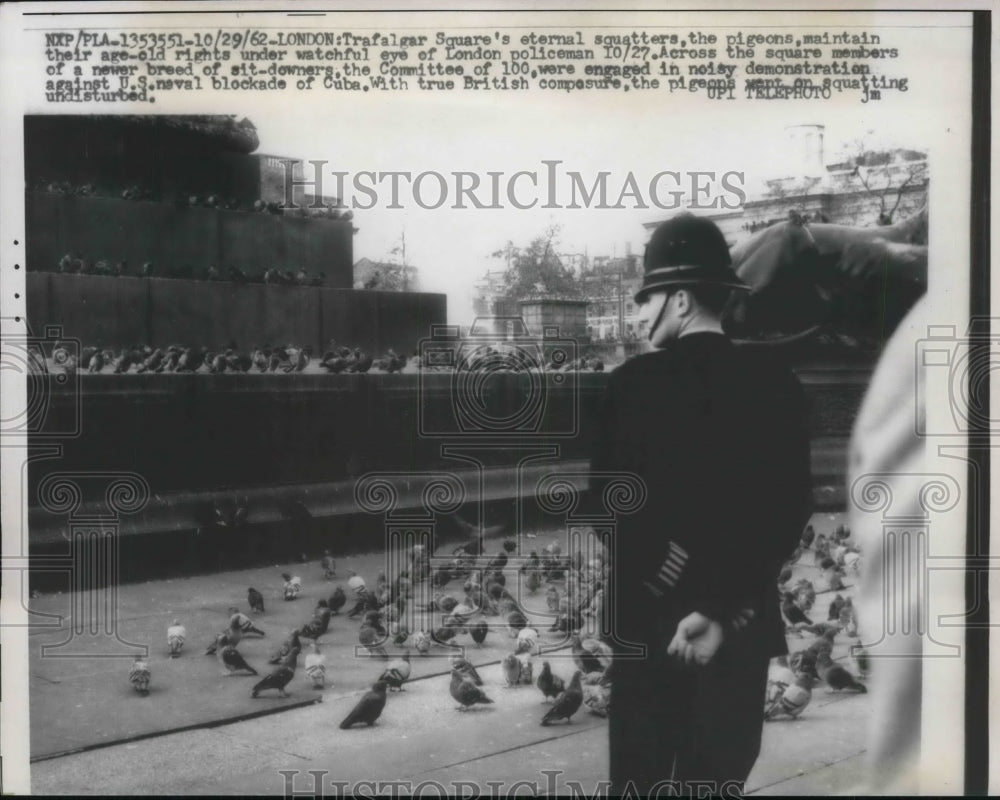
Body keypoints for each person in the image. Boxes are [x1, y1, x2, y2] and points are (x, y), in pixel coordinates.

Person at [589, 213, 812, 796]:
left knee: (638, 782)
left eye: (647, 298)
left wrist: (676, 590)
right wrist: (719, 605)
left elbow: (608, 512)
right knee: (715, 781)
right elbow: (788, 510)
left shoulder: (631, 384)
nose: (638, 314)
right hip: (739, 625)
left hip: (647, 616)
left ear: (680, 300)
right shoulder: (776, 382)